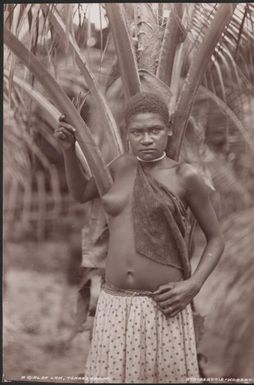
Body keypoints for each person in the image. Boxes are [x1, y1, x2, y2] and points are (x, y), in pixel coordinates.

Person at [55, 92, 225, 383]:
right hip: (113, 305)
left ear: (169, 129)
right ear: (128, 134)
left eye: (155, 130)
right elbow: (81, 193)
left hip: (164, 307)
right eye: (138, 132)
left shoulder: (185, 177)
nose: (147, 139)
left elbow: (217, 238)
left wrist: (193, 285)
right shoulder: (120, 167)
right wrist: (69, 150)